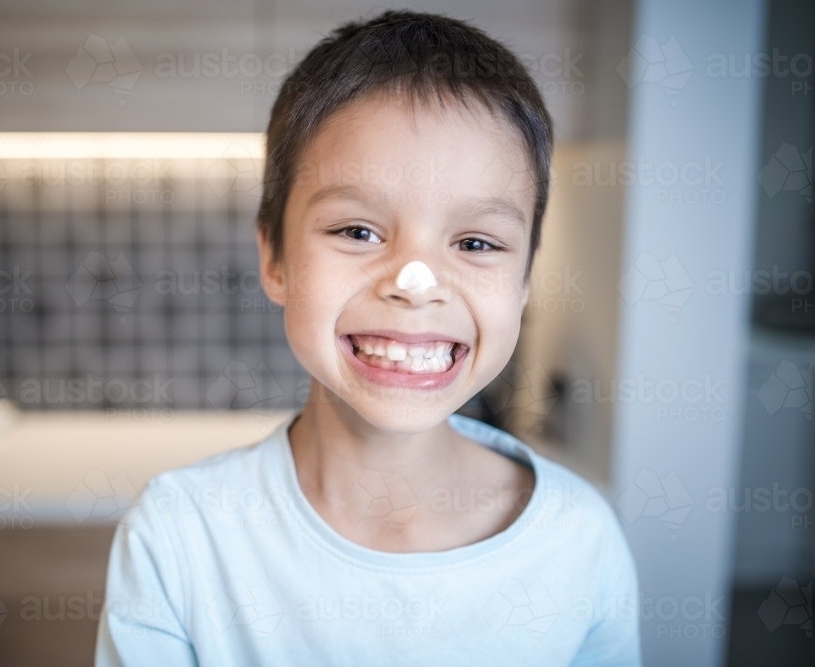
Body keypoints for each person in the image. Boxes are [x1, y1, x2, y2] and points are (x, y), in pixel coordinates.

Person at [96, 10, 640, 666]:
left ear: (525, 281)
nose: (416, 284)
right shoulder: (178, 537)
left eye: (476, 242)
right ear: (275, 257)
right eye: (357, 231)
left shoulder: (581, 541)